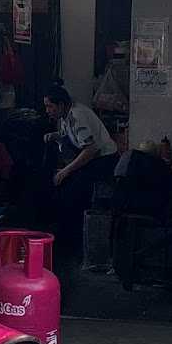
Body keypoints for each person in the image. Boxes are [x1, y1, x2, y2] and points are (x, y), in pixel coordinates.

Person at [42, 83, 116, 270]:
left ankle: (72, 245)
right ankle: (64, 238)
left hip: (104, 161)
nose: (47, 111)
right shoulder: (66, 116)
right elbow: (70, 136)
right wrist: (55, 136)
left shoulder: (77, 115)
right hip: (92, 158)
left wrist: (66, 171)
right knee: (63, 187)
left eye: (50, 106)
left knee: (73, 191)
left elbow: (90, 149)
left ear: (61, 105)